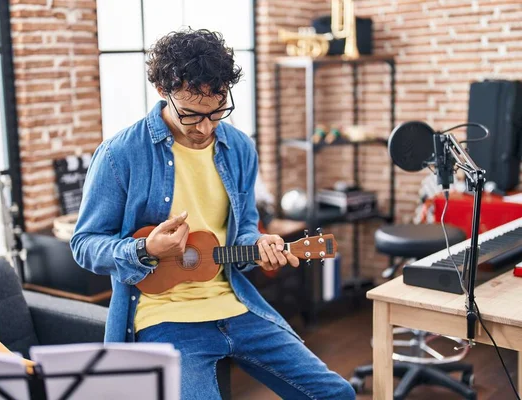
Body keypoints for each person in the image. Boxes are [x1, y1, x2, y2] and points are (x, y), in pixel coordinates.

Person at [71, 28, 355, 400]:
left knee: (337, 394)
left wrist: (260, 243)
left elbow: (245, 230)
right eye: (191, 115)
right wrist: (144, 251)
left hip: (236, 304)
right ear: (162, 91)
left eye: (217, 111)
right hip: (162, 318)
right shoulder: (119, 155)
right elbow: (84, 245)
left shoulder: (238, 148)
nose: (205, 127)